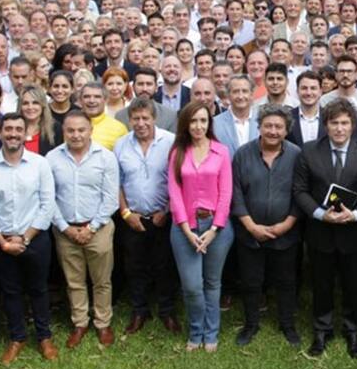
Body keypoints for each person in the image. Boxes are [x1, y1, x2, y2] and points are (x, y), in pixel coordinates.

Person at [292, 97, 357, 358]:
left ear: (353, 125)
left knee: (354, 284)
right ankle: (322, 329)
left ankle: (353, 330)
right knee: (321, 284)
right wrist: (320, 214)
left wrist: (355, 215)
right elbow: (299, 191)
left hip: (353, 233)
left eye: (344, 123)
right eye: (334, 123)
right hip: (320, 232)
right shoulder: (308, 152)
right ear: (326, 125)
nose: (339, 129)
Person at [0, 113, 59, 365]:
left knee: (38, 288)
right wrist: (2, 243)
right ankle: (18, 337)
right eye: (8, 129)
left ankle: (44, 337)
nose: (13, 134)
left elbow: (47, 204)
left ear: (26, 134)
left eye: (18, 129)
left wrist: (24, 238)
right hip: (1, 241)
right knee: (10, 290)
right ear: (0, 133)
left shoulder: (39, 164)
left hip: (34, 238)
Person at [230, 104, 303, 347]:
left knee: (286, 281)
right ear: (259, 127)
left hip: (286, 232)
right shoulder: (242, 154)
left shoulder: (296, 155)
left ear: (286, 130)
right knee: (251, 281)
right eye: (268, 125)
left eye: (278, 127)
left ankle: (287, 324)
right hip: (250, 233)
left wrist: (287, 224)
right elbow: (236, 192)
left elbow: (300, 194)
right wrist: (250, 226)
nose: (273, 131)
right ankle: (251, 324)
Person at [48, 110, 120, 348]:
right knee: (74, 280)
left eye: (81, 130)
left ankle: (102, 323)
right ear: (64, 132)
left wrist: (92, 227)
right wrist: (65, 228)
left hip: (98, 228)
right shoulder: (52, 158)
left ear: (90, 130)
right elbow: (49, 199)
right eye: (70, 130)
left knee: (102, 280)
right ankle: (80, 322)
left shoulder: (105, 157)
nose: (76, 135)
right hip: (65, 230)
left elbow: (110, 198)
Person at [167, 100, 234, 352]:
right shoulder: (177, 152)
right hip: (185, 226)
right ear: (186, 123)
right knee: (192, 286)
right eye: (193, 120)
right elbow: (174, 192)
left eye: (203, 120)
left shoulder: (221, 152)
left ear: (209, 123)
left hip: (217, 228)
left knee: (212, 283)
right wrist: (186, 230)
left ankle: (211, 332)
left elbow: (225, 193)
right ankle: (195, 331)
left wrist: (214, 229)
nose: (198, 126)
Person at [114, 97, 181, 335]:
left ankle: (167, 310)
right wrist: (125, 213)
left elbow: (178, 179)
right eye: (136, 118)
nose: (140, 123)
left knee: (165, 266)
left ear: (154, 118)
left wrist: (167, 210)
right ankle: (139, 310)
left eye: (145, 118)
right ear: (129, 120)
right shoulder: (121, 144)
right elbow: (117, 183)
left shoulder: (171, 142)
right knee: (135, 266)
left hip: (162, 216)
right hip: (133, 217)